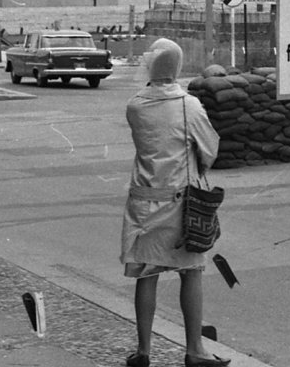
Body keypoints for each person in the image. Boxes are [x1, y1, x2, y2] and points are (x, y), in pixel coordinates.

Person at [120, 38, 229, 367]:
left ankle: (143, 351)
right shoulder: (189, 106)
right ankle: (195, 348)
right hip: (182, 205)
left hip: (143, 202)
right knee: (191, 272)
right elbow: (209, 149)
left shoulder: (135, 106)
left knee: (146, 274)